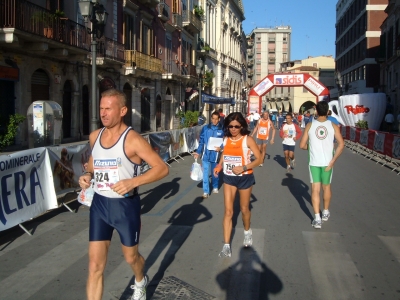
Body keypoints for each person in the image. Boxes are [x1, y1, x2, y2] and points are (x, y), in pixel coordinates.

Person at [78, 89, 169, 300]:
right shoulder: (95, 136)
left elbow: (162, 168)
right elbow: (93, 163)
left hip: (125, 207)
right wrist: (87, 175)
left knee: (131, 258)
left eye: (108, 108)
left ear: (123, 110)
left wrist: (133, 182)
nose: (103, 113)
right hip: (100, 205)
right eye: (101, 108)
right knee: (94, 265)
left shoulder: (133, 140)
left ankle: (140, 280)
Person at [213, 112, 261, 257]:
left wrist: (244, 167)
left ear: (242, 126)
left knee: (244, 208)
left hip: (245, 177)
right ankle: (226, 245)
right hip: (229, 177)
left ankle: (247, 231)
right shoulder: (226, 138)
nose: (233, 129)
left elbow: (259, 160)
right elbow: (224, 154)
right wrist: (219, 165)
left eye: (236, 126)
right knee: (228, 211)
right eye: (230, 126)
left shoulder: (248, 139)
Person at [299, 101, 344, 229]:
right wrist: (333, 160)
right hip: (328, 163)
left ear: (316, 111)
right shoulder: (333, 125)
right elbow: (341, 144)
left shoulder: (310, 125)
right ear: (328, 111)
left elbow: (302, 145)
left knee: (315, 189)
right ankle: (325, 212)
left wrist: (311, 147)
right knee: (327, 187)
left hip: (314, 162)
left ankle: (317, 218)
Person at [194, 111, 224, 198]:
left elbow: (225, 141)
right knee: (205, 173)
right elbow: (201, 141)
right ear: (211, 118)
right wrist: (198, 152)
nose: (214, 121)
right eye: (213, 119)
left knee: (215, 173)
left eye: (216, 119)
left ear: (219, 119)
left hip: (216, 155)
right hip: (205, 155)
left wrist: (221, 148)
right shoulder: (206, 128)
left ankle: (215, 186)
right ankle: (206, 191)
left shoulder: (222, 129)